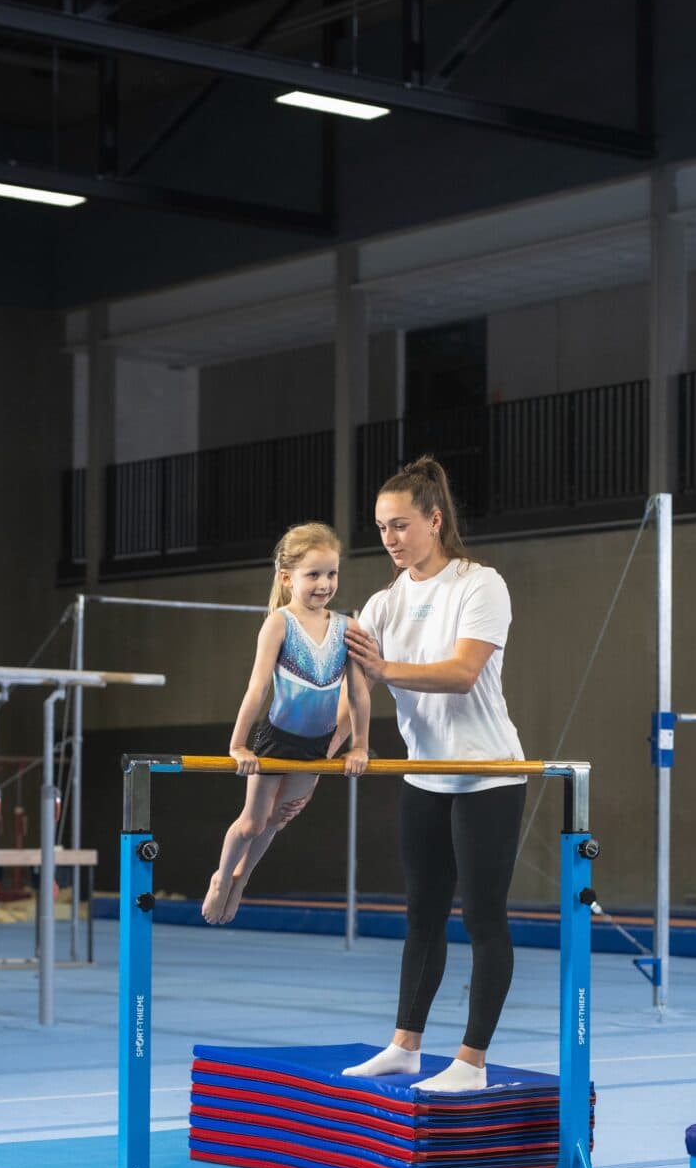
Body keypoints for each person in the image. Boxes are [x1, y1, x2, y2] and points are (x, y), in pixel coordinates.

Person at [340, 456, 527, 1096]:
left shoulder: (480, 585)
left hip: (487, 775)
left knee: (482, 918)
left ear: (435, 521)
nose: (389, 538)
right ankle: (405, 1047)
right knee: (421, 916)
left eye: (400, 525)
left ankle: (471, 1062)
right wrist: (300, 755)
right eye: (381, 528)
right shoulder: (383, 602)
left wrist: (383, 670)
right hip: (425, 776)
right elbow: (352, 692)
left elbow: (462, 673)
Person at [204, 522, 361, 925]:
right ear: (287, 578)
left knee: (278, 819)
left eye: (332, 573)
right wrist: (238, 744)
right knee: (252, 822)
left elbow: (358, 695)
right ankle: (222, 876)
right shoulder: (280, 622)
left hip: (317, 746)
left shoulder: (347, 627)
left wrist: (358, 745)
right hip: (277, 738)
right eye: (314, 574)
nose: (324, 584)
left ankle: (242, 878)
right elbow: (257, 688)